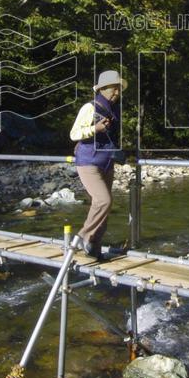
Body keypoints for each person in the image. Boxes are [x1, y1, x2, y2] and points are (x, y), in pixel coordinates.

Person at [69, 70, 125, 260]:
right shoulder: (89, 107)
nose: (117, 92)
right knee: (104, 201)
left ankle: (94, 248)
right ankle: (82, 237)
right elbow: (74, 134)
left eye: (118, 89)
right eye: (114, 88)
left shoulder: (115, 109)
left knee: (103, 209)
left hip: (107, 163)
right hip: (88, 162)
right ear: (102, 89)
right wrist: (96, 128)